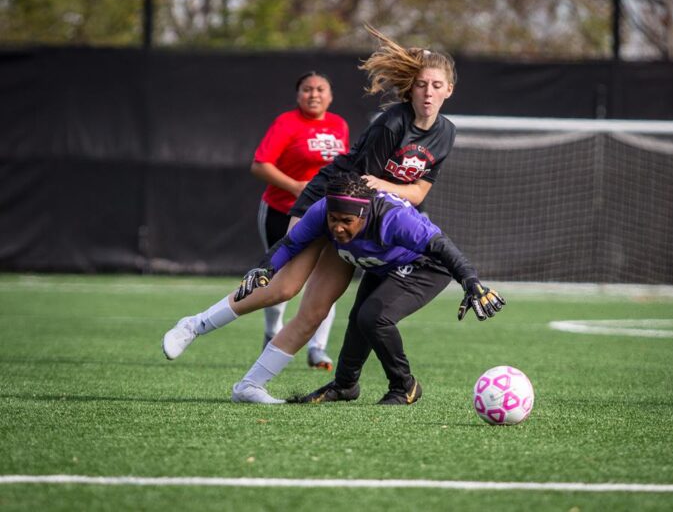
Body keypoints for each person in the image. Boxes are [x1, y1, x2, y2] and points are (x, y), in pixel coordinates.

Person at [162, 25, 459, 403]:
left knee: (315, 312)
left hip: (363, 217)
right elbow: (359, 187)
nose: (428, 92)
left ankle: (249, 387)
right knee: (283, 287)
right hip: (332, 201)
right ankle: (193, 325)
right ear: (410, 89)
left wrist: (390, 197)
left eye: (436, 85)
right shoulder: (391, 124)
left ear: (449, 89)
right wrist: (387, 201)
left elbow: (417, 192)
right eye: (421, 84)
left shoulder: (446, 133)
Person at [235, 172, 505, 405]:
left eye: (346, 221)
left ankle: (404, 386)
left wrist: (470, 282)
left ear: (364, 214)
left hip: (427, 266)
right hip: (385, 264)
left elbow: (441, 246)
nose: (337, 228)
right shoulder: (321, 211)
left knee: (374, 318)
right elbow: (291, 244)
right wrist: (265, 268)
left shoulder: (395, 219)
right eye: (333, 219)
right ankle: (344, 386)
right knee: (358, 320)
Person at [250, 71, 349, 370]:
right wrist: (295, 187)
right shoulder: (287, 123)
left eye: (321, 89)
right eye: (307, 89)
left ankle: (317, 348)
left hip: (324, 215)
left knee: (324, 280)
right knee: (280, 279)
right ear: (298, 95)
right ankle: (272, 330)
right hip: (282, 211)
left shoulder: (338, 125)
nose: (314, 94)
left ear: (330, 96)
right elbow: (260, 165)